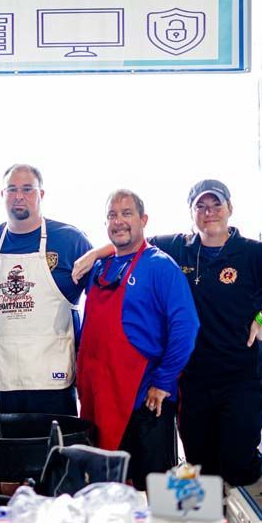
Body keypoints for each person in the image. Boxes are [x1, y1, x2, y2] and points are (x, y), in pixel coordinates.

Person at [73, 179, 262, 486]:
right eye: (201, 206)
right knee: (200, 469)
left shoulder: (254, 254)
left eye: (216, 204)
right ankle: (209, 519)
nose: (209, 212)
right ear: (191, 212)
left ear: (230, 209)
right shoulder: (178, 247)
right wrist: (94, 255)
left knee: (236, 464)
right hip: (194, 380)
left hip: (240, 375)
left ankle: (250, 513)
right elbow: (132, 239)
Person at [77, 189, 199, 490]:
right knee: (109, 492)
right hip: (101, 402)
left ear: (143, 219)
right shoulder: (99, 269)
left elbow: (187, 327)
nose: (119, 221)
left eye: (127, 213)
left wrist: (163, 381)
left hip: (145, 402)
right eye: (112, 215)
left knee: (167, 497)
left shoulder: (160, 265)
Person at [0, 164, 93, 416]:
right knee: (6, 454)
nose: (19, 196)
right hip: (2, 377)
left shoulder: (70, 240)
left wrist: (89, 365)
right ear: (2, 195)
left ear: (40, 194)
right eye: (12, 189)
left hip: (55, 379)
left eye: (27, 189)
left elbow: (100, 302)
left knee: (55, 454)